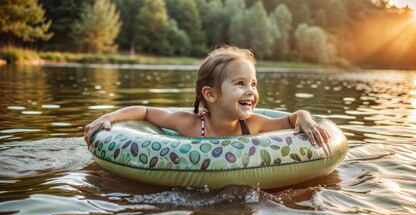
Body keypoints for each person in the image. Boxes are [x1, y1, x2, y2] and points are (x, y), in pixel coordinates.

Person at [84, 45, 330, 147]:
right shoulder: (191, 125)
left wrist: (305, 118)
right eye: (240, 83)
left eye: (253, 84)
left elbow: (293, 119)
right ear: (210, 94)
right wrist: (110, 117)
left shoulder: (253, 124)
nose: (251, 91)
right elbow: (146, 112)